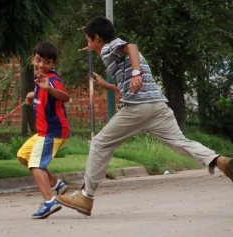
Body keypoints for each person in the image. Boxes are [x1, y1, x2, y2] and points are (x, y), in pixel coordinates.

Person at [55, 16, 233, 216]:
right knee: (180, 142)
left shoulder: (108, 48)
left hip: (137, 108)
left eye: (88, 40)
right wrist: (109, 86)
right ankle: (220, 161)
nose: (88, 45)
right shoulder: (118, 53)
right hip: (157, 106)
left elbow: (133, 47)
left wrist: (136, 73)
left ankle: (85, 197)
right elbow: (129, 82)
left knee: (100, 144)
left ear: (97, 38)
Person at [17, 42, 71, 219]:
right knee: (23, 155)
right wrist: (33, 95)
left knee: (35, 164)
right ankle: (55, 184)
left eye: (47, 62)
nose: (41, 65)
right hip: (42, 132)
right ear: (32, 59)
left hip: (52, 131)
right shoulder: (40, 79)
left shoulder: (52, 80)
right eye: (38, 60)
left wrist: (48, 87)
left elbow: (65, 96)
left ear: (53, 64)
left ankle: (50, 201)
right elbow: (42, 93)